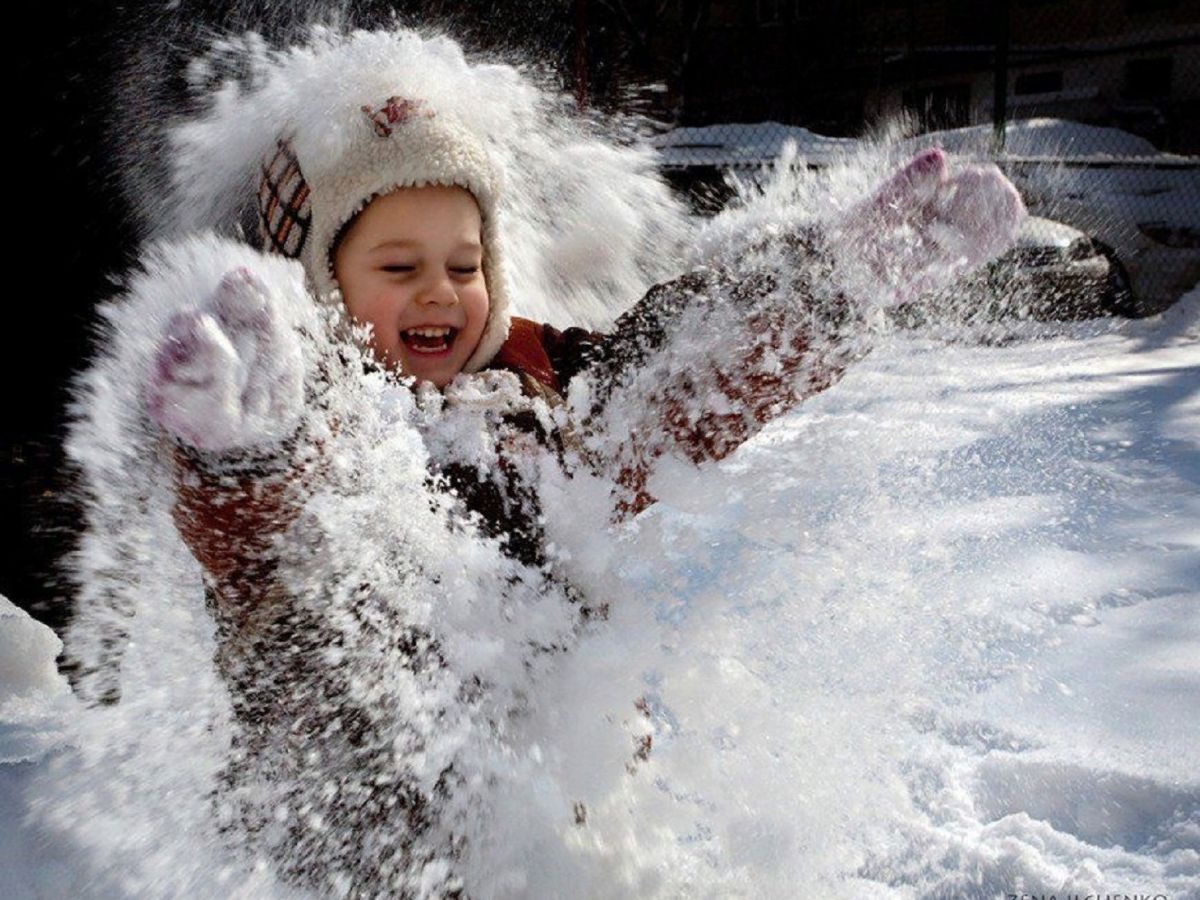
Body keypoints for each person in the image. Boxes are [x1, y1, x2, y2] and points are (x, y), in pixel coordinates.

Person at [122, 37, 1025, 897]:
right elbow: (252, 547)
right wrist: (240, 451)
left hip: (551, 838)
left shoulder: (544, 390)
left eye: (465, 263)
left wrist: (832, 283)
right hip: (347, 854)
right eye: (397, 265)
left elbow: (676, 381)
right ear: (317, 283)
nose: (440, 289)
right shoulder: (306, 425)